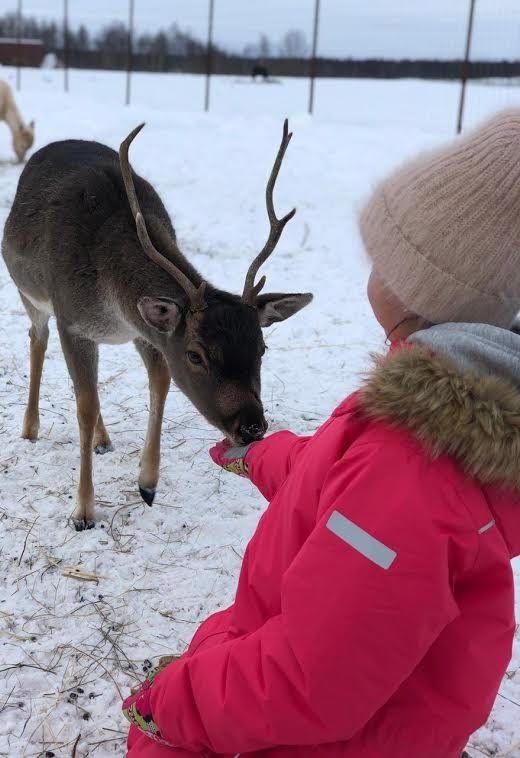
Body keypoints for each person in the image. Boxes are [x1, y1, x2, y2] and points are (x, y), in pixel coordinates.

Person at [122, 109, 520, 757]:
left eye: (383, 257)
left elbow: (304, 685)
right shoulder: (443, 410)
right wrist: (267, 455)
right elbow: (342, 481)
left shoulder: (411, 466)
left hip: (325, 732)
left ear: (420, 288)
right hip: (383, 708)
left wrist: (171, 700)